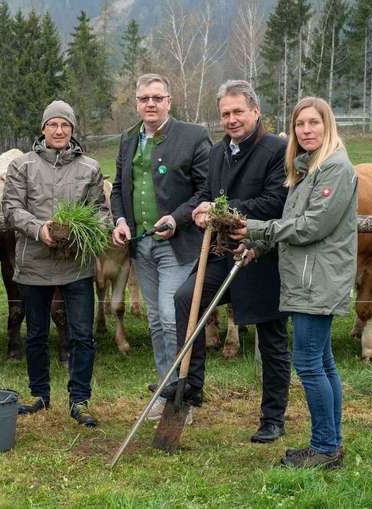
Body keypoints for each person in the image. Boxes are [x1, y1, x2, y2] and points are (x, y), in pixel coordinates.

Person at [231, 97, 356, 468]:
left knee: (308, 362)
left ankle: (323, 448)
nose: (306, 130)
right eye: (300, 124)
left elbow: (311, 226)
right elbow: (294, 224)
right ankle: (330, 444)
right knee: (323, 362)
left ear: (327, 125)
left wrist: (255, 228)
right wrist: (257, 244)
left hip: (317, 281)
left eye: (313, 123)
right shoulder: (307, 170)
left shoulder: (334, 169)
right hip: (308, 279)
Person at [167, 80, 291, 444]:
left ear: (255, 111)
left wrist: (223, 211)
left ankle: (273, 417)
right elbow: (207, 194)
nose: (232, 119)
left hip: (260, 254)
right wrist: (194, 213)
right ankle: (192, 386)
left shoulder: (277, 150)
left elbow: (274, 202)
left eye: (238, 112)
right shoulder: (220, 151)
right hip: (221, 252)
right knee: (185, 297)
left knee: (271, 337)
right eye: (225, 114)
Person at [110, 73, 211, 420]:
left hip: (177, 244)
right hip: (141, 245)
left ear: (169, 101)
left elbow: (205, 190)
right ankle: (165, 389)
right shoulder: (127, 140)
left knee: (172, 319)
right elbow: (118, 189)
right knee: (155, 321)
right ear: (136, 103)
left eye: (157, 97)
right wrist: (120, 221)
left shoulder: (193, 136)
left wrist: (177, 218)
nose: (150, 104)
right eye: (143, 99)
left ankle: (182, 395)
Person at [2, 100, 109, 427]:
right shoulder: (23, 166)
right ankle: (39, 394)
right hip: (34, 262)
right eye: (53, 125)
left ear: (72, 130)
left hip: (76, 263)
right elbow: (12, 209)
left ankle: (80, 398)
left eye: (65, 125)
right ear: (43, 129)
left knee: (81, 335)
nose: (59, 130)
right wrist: (40, 229)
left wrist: (85, 232)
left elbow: (101, 213)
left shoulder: (89, 168)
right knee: (35, 332)